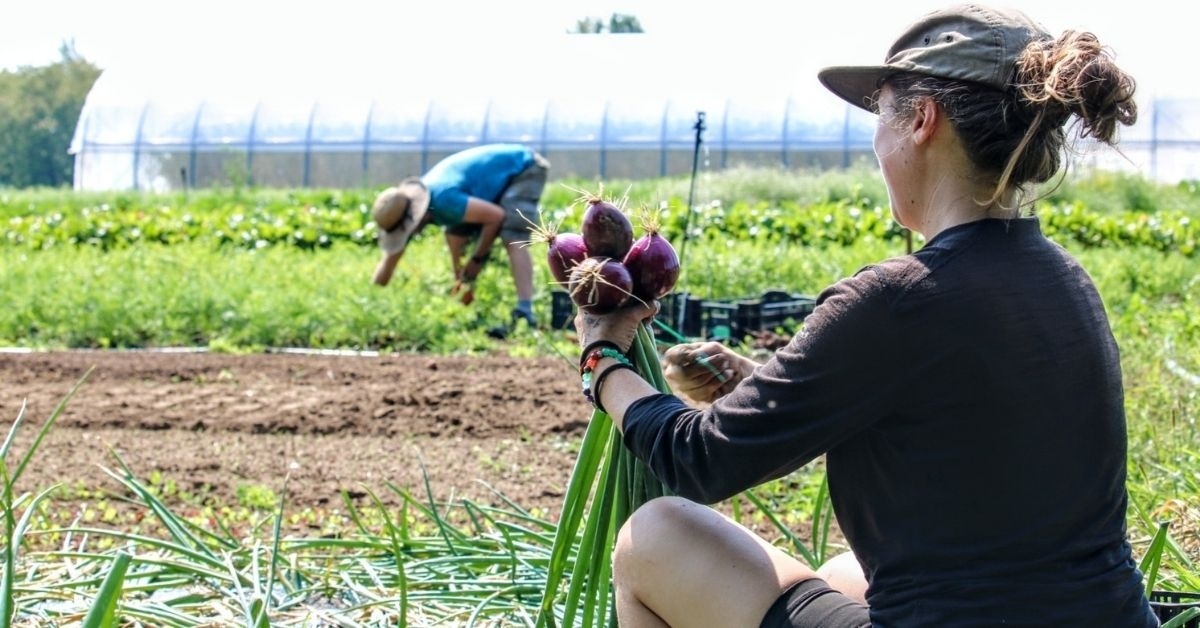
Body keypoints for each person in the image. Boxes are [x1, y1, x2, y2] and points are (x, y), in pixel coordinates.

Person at [573, 4, 1158, 627]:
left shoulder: (895, 300)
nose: (877, 140)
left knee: (654, 534)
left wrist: (602, 356)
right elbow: (953, 424)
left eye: (881, 116)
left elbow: (697, 458)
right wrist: (764, 384)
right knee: (843, 575)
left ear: (923, 121)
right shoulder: (1064, 277)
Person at [371, 143, 550, 327]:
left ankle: (525, 312)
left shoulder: (444, 200)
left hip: (522, 166)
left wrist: (476, 259)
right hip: (487, 183)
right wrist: (372, 302)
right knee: (456, 232)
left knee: (513, 237)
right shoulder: (410, 207)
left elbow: (496, 217)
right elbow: (390, 260)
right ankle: (465, 301)